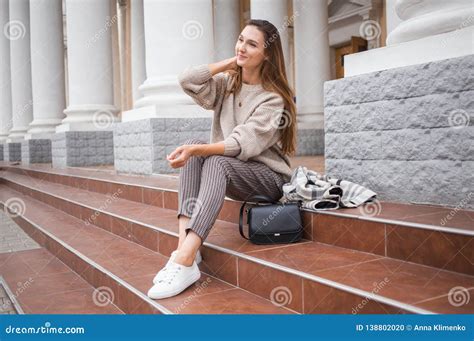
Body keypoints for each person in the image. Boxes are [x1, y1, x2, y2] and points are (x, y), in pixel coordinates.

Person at [147, 19, 296, 299]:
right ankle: (186, 252)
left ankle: (185, 259)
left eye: (252, 44)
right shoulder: (228, 84)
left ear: (267, 55)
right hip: (237, 170)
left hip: (268, 179)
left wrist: (198, 152)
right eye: (240, 40)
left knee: (212, 158)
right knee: (195, 145)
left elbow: (241, 143)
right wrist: (231, 62)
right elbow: (187, 80)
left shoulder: (273, 99)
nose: (242, 47)